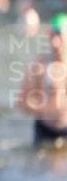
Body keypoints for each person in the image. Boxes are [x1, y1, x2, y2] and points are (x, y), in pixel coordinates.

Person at [18, 12, 67, 148]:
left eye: (60, 36)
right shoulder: (40, 65)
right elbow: (21, 101)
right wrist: (44, 109)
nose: (55, 42)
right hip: (45, 130)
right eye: (52, 35)